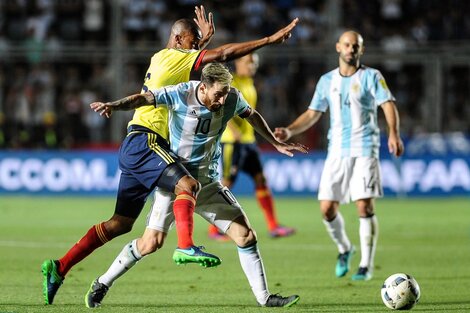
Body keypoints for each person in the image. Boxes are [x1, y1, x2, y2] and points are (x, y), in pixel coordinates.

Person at [41, 5, 300, 305]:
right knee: (187, 184)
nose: (198, 48)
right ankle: (186, 246)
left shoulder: (164, 59)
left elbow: (211, 75)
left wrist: (203, 40)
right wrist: (268, 39)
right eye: (193, 43)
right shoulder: (181, 76)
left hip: (155, 151)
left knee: (123, 225)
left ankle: (62, 267)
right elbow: (223, 55)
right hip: (147, 141)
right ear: (179, 42)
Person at [86, 62, 306, 308]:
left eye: (225, 94)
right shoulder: (181, 93)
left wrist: (274, 142)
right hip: (176, 181)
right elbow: (143, 99)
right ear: (203, 87)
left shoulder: (233, 98)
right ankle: (103, 282)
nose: (222, 101)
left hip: (208, 183)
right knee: (151, 243)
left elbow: (251, 115)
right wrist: (114, 106)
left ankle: (265, 298)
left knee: (246, 236)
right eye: (217, 94)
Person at [274, 31, 404, 281]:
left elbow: (388, 104)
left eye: (356, 46)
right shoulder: (327, 81)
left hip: (366, 147)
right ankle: (345, 248)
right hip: (337, 151)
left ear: (361, 50)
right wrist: (290, 129)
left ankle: (366, 265)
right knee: (326, 209)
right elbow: (313, 114)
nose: (351, 49)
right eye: (347, 44)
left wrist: (393, 134)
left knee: (364, 205)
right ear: (338, 47)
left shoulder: (372, 76)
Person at [208, 53, 295, 241]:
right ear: (238, 63)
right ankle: (214, 229)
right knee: (227, 183)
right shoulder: (232, 83)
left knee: (261, 179)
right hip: (233, 141)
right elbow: (220, 108)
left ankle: (273, 226)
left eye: (255, 63)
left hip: (249, 142)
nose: (252, 66)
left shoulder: (250, 83)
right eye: (249, 62)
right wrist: (232, 129)